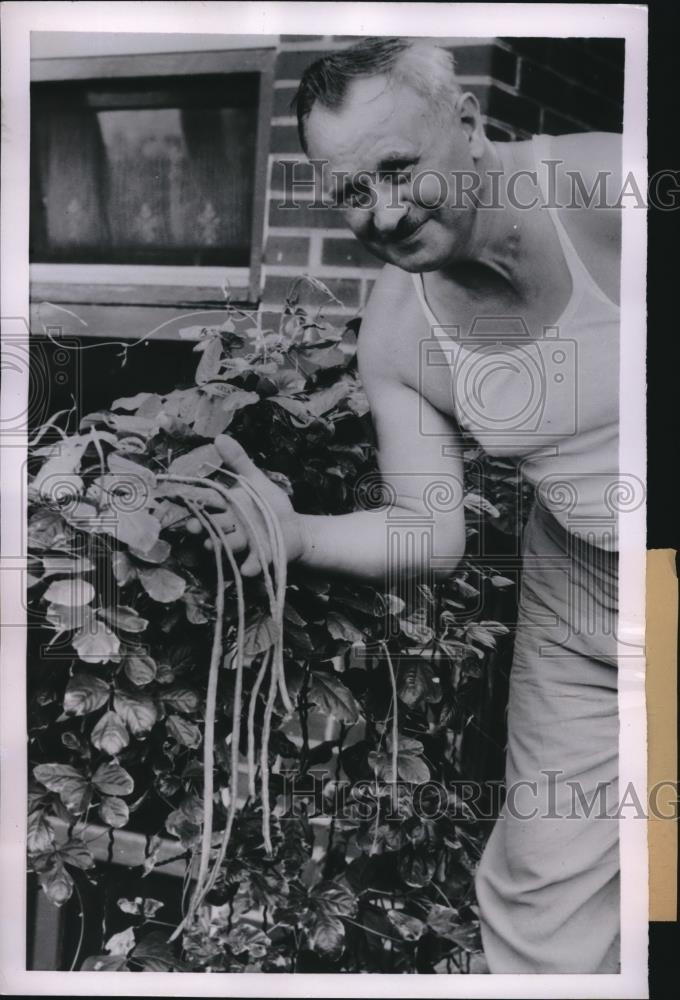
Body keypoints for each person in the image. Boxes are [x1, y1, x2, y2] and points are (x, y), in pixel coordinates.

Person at [192, 38, 622, 973]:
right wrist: (296, 531)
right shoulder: (399, 328)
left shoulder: (607, 190)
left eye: (399, 169)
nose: (382, 213)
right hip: (582, 582)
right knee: (544, 885)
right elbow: (428, 533)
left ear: (467, 125)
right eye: (351, 192)